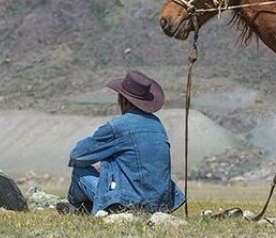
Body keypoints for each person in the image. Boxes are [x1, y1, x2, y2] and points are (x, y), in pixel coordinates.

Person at [58, 70, 186, 216]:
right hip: (160, 203)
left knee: (80, 171)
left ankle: (79, 209)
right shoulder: (158, 125)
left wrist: (99, 162)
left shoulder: (118, 126)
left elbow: (78, 155)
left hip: (129, 202)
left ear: (124, 100)